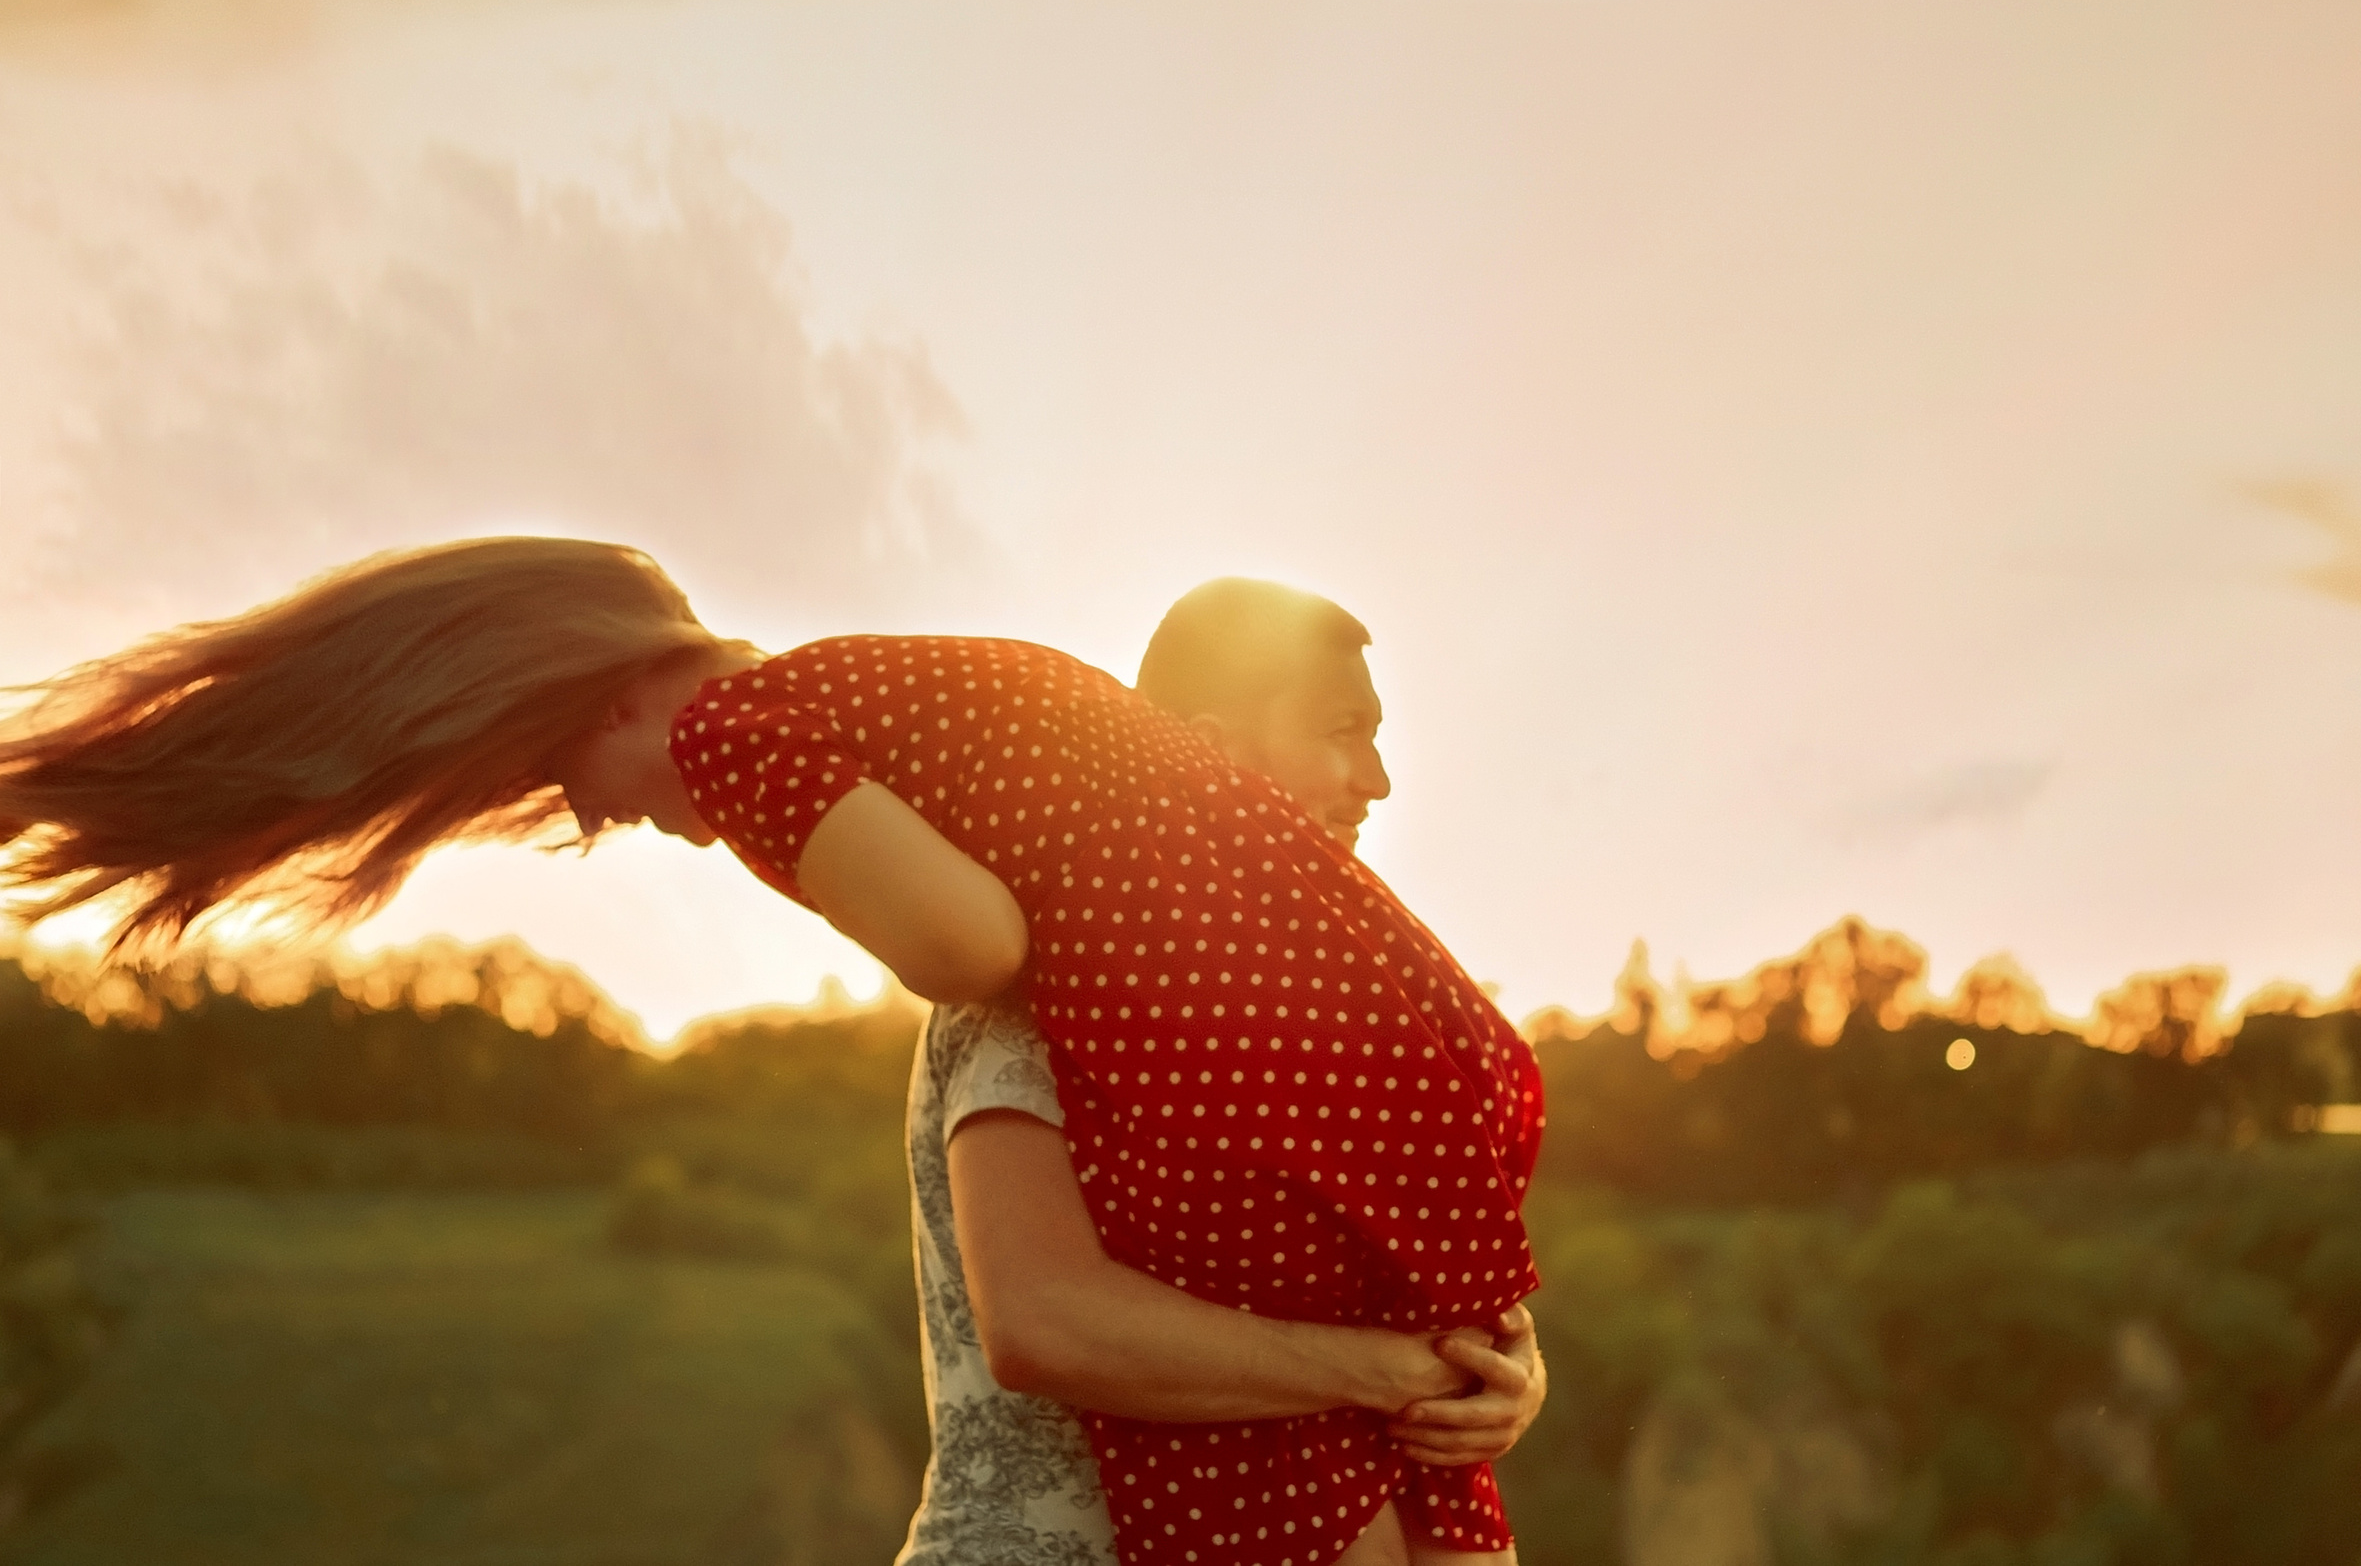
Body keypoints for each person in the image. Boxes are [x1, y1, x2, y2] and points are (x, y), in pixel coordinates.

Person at [0, 539, 1544, 1566]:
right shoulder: (1159, 973)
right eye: (1342, 732)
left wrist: (1484, 1363)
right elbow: (1087, 1313)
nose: (608, 818)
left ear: (622, 693)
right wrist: (1422, 1369)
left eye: (572, 778)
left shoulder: (802, 774)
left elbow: (974, 954)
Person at [926, 578, 1545, 1565]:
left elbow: (1371, 1280)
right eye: (1341, 731)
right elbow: (1043, 1320)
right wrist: (1390, 1374)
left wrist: (1501, 1373)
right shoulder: (1045, 966)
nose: (1377, 780)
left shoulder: (1301, 1007)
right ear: (1208, 752)